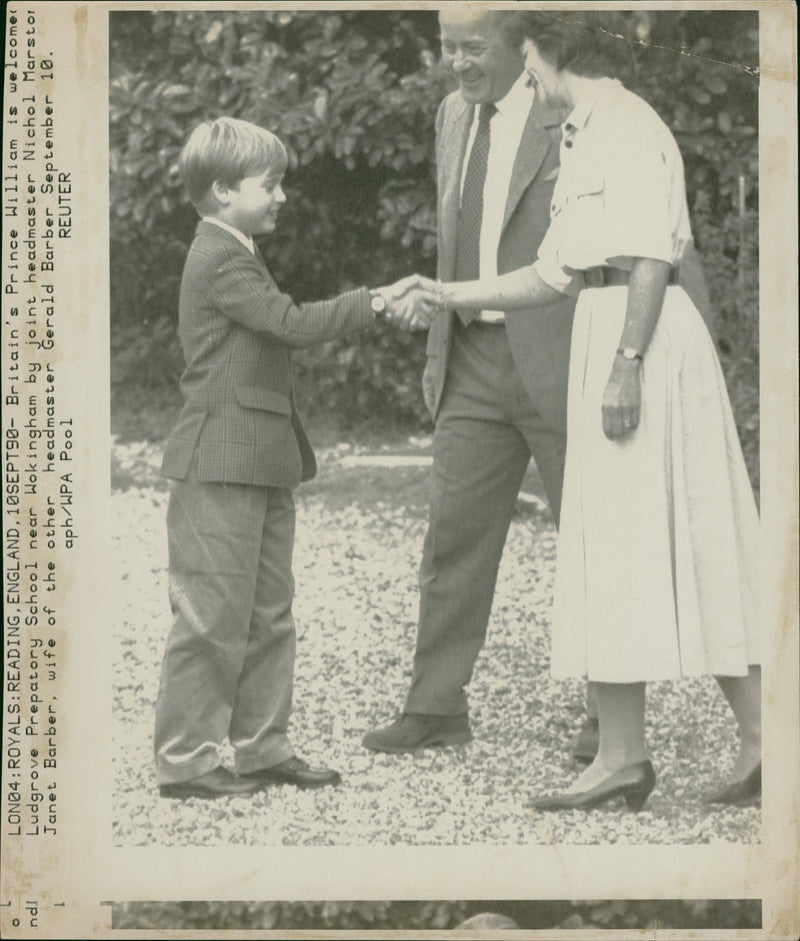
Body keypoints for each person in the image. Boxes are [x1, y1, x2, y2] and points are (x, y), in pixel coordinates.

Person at [424, 12, 761, 811]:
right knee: (607, 546)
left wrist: (627, 364)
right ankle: (621, 756)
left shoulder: (628, 128)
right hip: (601, 327)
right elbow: (550, 272)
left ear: (547, 54)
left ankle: (765, 740)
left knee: (699, 534)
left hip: (640, 338)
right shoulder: (580, 129)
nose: (526, 80)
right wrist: (447, 292)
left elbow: (649, 255)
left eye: (529, 65)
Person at [363, 8, 711, 761]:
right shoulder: (452, 115)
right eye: (445, 46)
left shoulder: (574, 114)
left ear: (520, 48)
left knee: (594, 537)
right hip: (472, 357)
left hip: (568, 355)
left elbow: (646, 246)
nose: (456, 62)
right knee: (451, 537)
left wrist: (640, 362)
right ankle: (434, 703)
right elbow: (455, 238)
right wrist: (438, 341)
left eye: (472, 46)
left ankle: (608, 721)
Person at [155, 117, 425, 799]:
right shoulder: (219, 255)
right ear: (221, 191)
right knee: (213, 615)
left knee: (269, 611)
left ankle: (262, 746)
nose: (282, 196)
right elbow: (292, 323)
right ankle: (185, 761)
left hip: (258, 459)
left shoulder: (235, 246)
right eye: (269, 184)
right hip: (218, 460)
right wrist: (377, 302)